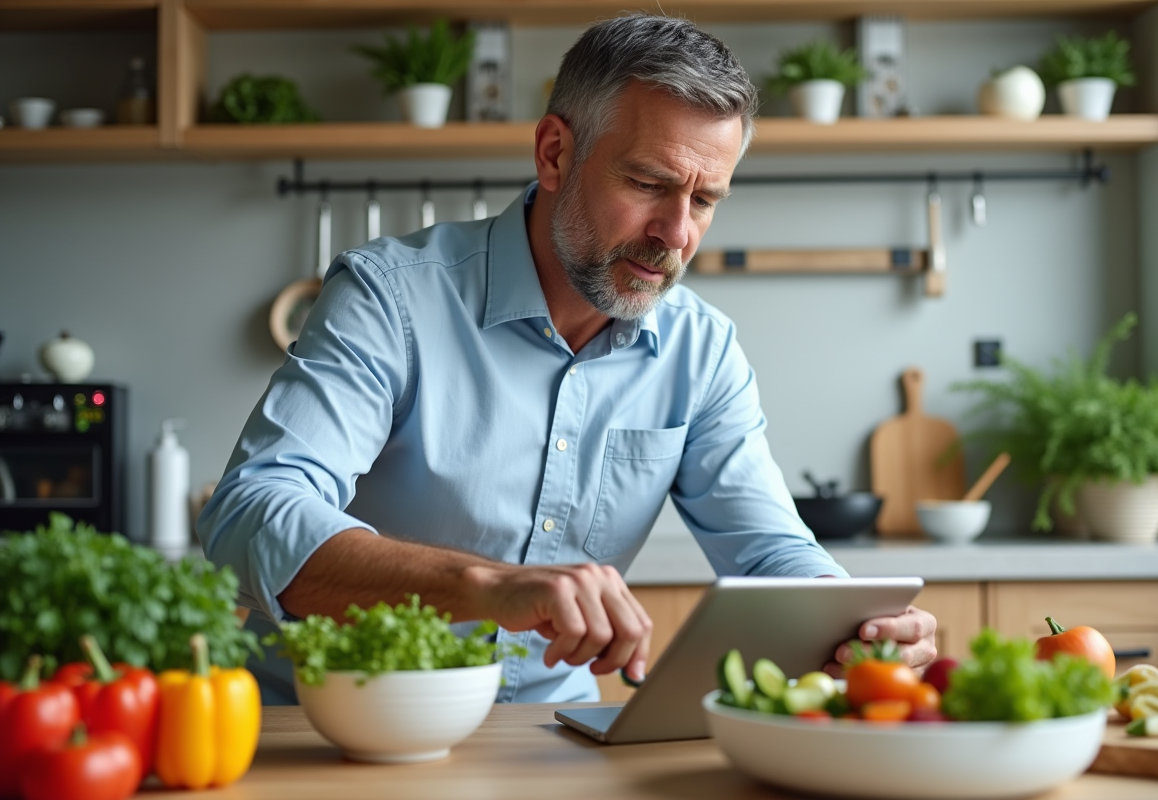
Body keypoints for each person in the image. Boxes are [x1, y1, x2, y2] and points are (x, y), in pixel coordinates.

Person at [197, 13, 937, 706]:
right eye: (648, 184)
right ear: (555, 152)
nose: (676, 233)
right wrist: (487, 586)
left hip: (550, 736)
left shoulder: (700, 350)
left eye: (706, 200)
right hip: (333, 725)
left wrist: (862, 623)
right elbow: (252, 512)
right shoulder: (391, 299)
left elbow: (772, 553)